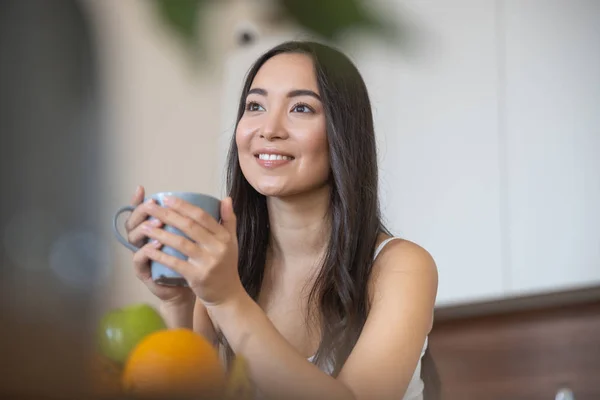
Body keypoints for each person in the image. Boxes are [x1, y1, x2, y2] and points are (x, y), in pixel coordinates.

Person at [124, 41, 438, 400]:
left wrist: (227, 299)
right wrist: (177, 300)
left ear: (344, 133)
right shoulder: (227, 262)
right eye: (255, 106)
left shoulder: (402, 267)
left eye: (301, 108)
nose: (269, 129)